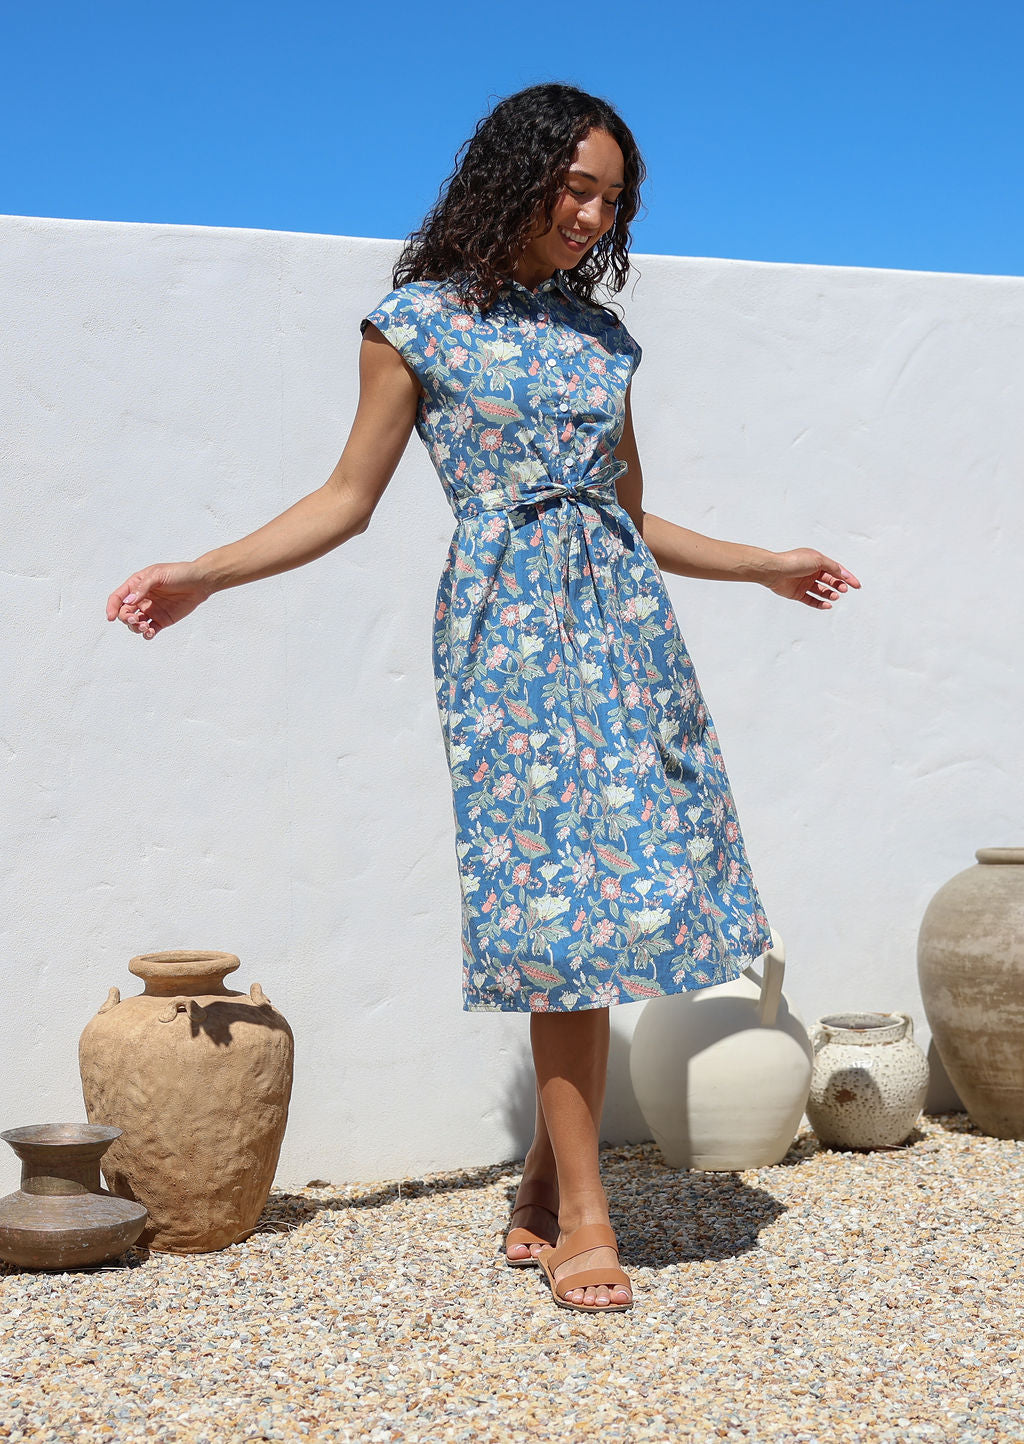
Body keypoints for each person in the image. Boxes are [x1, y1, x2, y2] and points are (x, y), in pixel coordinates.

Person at [107, 82, 860, 1314]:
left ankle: (538, 1189)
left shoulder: (601, 340)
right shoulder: (413, 324)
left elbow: (621, 507)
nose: (589, 213)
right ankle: (586, 1217)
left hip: (625, 635)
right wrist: (204, 571)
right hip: (506, 643)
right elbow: (345, 500)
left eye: (609, 196)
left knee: (621, 905)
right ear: (510, 180)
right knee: (558, 920)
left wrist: (760, 562)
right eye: (572, 187)